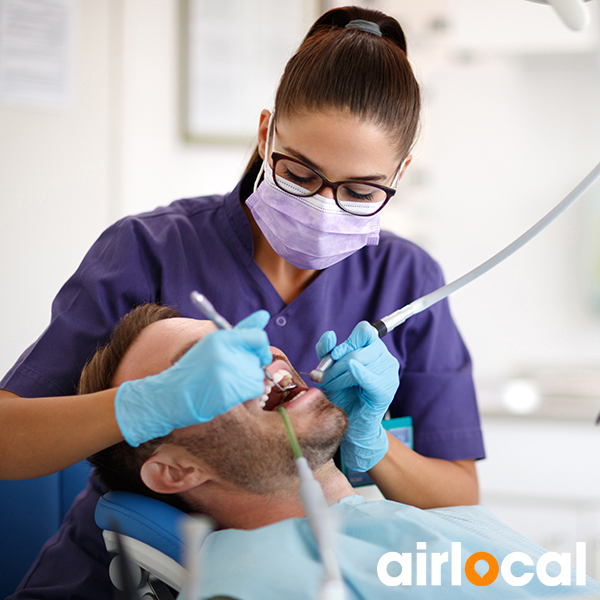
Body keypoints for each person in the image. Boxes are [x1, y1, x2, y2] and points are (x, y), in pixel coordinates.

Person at [2, 5, 483, 599]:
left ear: (400, 173)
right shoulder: (150, 249)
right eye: (300, 174)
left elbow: (459, 495)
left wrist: (375, 446)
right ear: (265, 134)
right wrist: (138, 407)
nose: (323, 205)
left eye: (360, 191)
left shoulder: (406, 278)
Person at [81, 306, 600, 598]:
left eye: (239, 337)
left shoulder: (414, 522)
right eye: (204, 364)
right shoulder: (258, 580)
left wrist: (373, 443)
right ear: (176, 471)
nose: (261, 351)